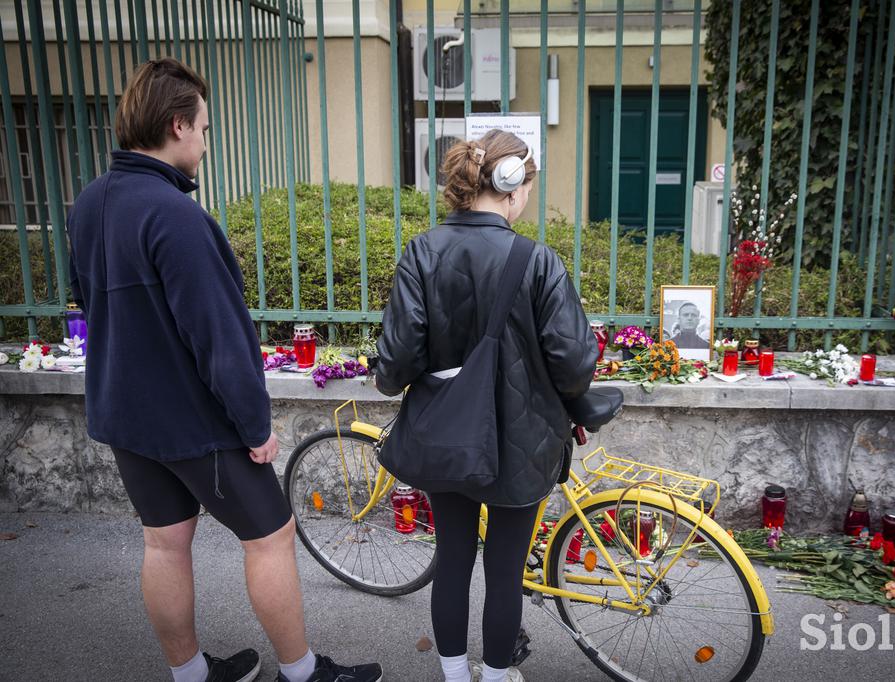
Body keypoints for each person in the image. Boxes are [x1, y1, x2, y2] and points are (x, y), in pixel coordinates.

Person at [66, 58, 382, 682]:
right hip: (197, 421)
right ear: (178, 125)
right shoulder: (176, 216)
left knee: (164, 541)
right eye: (206, 130)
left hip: (124, 415)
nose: (208, 144)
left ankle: (190, 675)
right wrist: (255, 425)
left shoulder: (91, 202)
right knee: (270, 535)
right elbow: (219, 338)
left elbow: (88, 298)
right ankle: (302, 671)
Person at [374, 129, 598, 682]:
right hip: (525, 444)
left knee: (452, 558)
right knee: (503, 570)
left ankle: (454, 674)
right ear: (512, 187)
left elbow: (396, 363)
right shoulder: (538, 261)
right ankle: (496, 676)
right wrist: (572, 406)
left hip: (447, 438)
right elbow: (573, 364)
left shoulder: (421, 253)